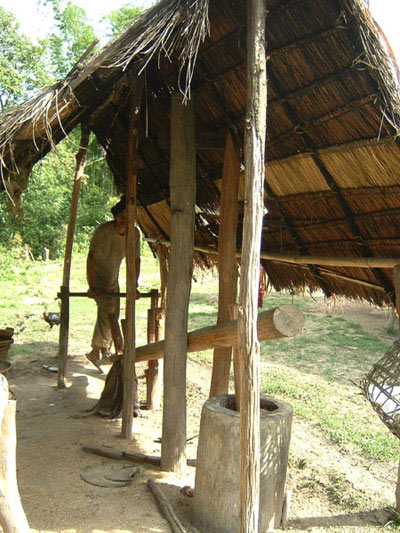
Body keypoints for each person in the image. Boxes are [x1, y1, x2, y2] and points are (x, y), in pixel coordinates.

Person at [86, 195, 140, 370]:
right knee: (108, 311)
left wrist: (134, 286)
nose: (125, 221)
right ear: (115, 216)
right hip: (99, 275)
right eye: (122, 217)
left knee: (112, 313)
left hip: (113, 277)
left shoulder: (134, 233)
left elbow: (135, 260)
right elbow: (91, 259)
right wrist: (92, 286)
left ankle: (100, 350)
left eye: (128, 217)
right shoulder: (103, 231)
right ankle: (97, 350)